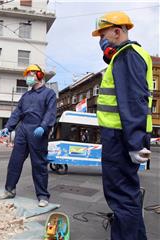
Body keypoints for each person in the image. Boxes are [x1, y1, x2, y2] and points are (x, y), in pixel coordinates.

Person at [92, 11, 153, 240]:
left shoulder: (127, 55)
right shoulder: (127, 55)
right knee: (127, 195)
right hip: (122, 135)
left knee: (121, 198)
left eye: (103, 35)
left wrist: (135, 141)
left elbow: (132, 100)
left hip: (120, 137)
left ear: (117, 32)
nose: (101, 41)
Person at [0, 64, 56, 207]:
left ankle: (43, 196)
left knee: (39, 164)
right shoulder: (26, 96)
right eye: (27, 75)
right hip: (23, 129)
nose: (28, 78)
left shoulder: (49, 94)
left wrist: (43, 126)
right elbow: (17, 112)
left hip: (38, 130)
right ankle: (9, 190)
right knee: (15, 162)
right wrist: (8, 127)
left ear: (39, 76)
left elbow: (51, 112)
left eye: (31, 74)